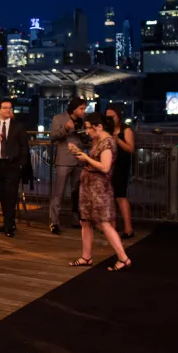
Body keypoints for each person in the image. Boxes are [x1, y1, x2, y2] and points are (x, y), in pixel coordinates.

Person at [69, 112, 132, 271]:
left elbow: (105, 167)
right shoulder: (98, 141)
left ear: (99, 127)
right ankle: (86, 257)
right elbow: (93, 162)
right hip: (89, 185)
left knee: (104, 223)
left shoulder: (108, 143)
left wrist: (86, 158)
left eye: (89, 128)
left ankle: (123, 258)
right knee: (85, 221)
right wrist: (79, 153)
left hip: (99, 188)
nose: (87, 131)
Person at [0, 98, 29, 237]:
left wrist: (20, 164)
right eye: (4, 107)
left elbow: (24, 147)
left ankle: (9, 225)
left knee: (11, 195)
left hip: (12, 165)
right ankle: (8, 223)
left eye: (9, 108)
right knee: (2, 194)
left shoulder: (18, 126)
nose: (7, 110)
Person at [49, 97, 86, 234]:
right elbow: (53, 137)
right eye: (81, 108)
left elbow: (84, 139)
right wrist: (65, 128)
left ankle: (76, 219)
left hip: (79, 159)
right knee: (58, 192)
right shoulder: (59, 118)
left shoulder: (83, 120)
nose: (83, 111)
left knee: (76, 192)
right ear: (74, 108)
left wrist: (85, 134)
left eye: (84, 109)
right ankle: (54, 222)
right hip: (64, 160)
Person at [106, 104, 136, 238]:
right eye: (107, 117)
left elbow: (130, 149)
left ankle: (128, 228)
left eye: (112, 117)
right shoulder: (107, 129)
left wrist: (117, 140)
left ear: (118, 116)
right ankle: (113, 227)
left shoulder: (126, 130)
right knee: (110, 196)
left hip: (121, 165)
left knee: (120, 196)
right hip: (109, 165)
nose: (110, 119)